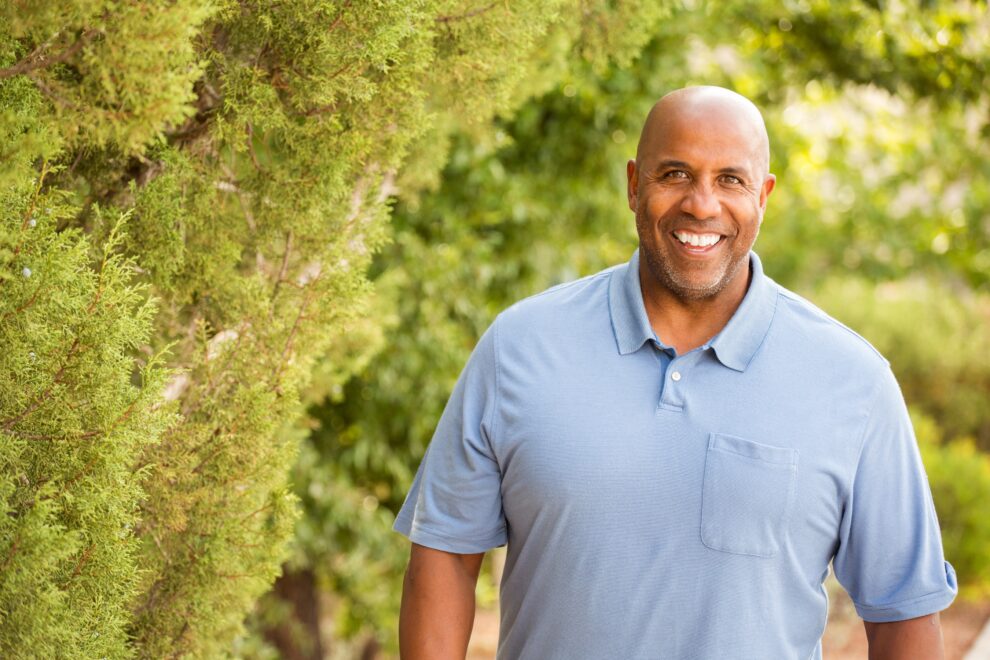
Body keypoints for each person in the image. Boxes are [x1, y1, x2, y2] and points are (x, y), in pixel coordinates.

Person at [393, 85, 957, 659]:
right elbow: (445, 558)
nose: (702, 205)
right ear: (634, 185)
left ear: (763, 195)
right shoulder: (518, 347)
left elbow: (905, 617)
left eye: (731, 180)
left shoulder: (853, 383)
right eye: (675, 174)